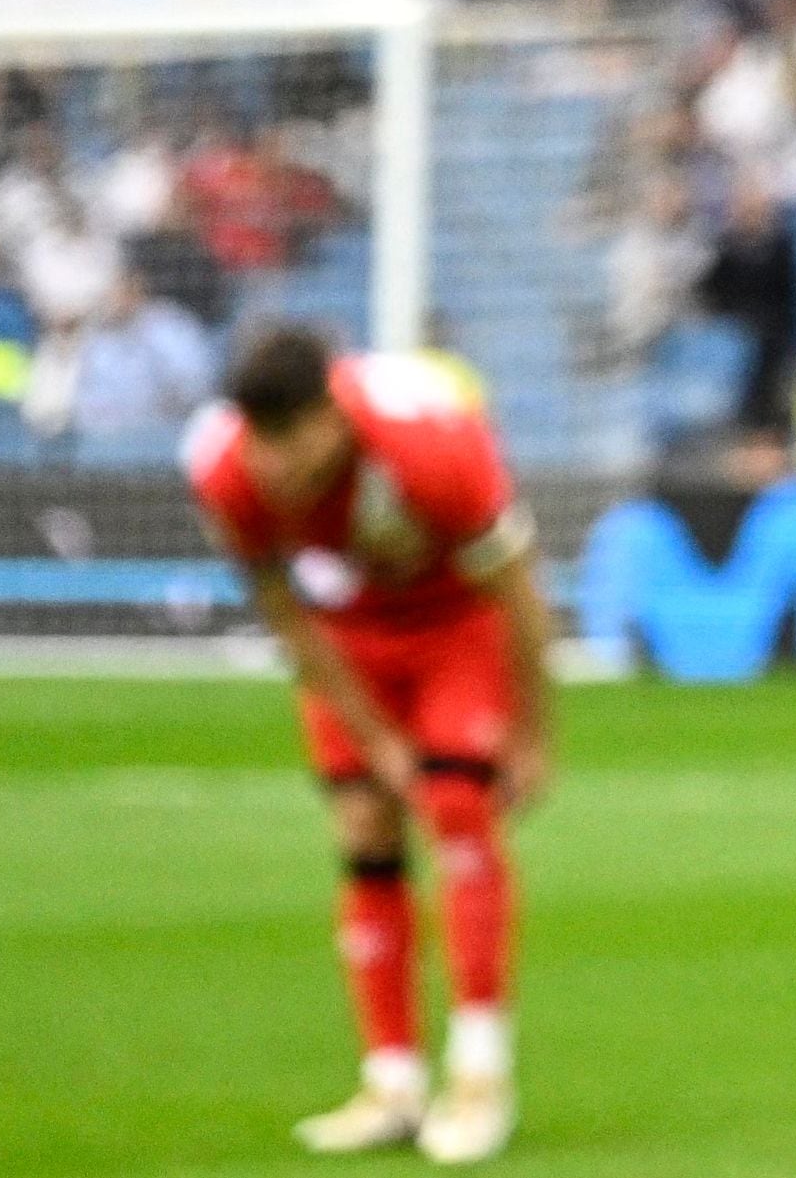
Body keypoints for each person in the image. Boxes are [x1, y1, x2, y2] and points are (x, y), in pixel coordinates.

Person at [183, 327, 554, 1164]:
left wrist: (535, 735)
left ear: (333, 412)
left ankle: (479, 1077)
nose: (275, 464)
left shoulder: (431, 448)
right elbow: (287, 618)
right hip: (353, 635)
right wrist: (376, 737)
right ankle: (390, 1082)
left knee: (457, 806)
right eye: (260, 441)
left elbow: (521, 590)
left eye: (291, 438)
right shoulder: (224, 471)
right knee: (363, 828)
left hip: (458, 622)